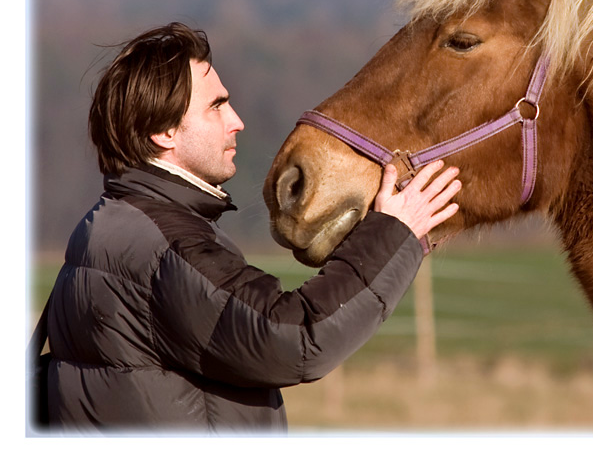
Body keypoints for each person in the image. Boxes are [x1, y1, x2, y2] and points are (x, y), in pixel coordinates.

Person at [44, 22, 461, 433]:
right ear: (164, 132)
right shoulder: (164, 247)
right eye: (216, 106)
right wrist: (394, 232)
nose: (236, 121)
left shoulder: (105, 227)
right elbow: (295, 337)